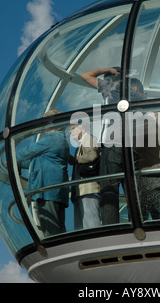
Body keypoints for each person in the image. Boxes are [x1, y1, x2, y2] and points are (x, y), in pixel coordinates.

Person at [81, 67, 146, 224]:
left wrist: (109, 70)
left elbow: (86, 75)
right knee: (133, 194)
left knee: (109, 190)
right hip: (133, 149)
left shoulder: (115, 87)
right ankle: (137, 225)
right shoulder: (138, 97)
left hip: (114, 146)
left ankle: (111, 228)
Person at [15, 109, 70, 237]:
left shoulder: (52, 139)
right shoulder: (60, 141)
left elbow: (29, 150)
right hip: (56, 191)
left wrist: (12, 158)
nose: (45, 126)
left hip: (48, 191)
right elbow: (36, 161)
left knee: (51, 231)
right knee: (58, 228)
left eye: (47, 122)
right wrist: (18, 164)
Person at [69, 124, 101, 230]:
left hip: (88, 190)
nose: (70, 132)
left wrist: (77, 159)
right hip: (82, 190)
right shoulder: (82, 143)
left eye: (73, 128)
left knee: (90, 224)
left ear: (82, 128)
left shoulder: (87, 138)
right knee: (83, 225)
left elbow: (93, 155)